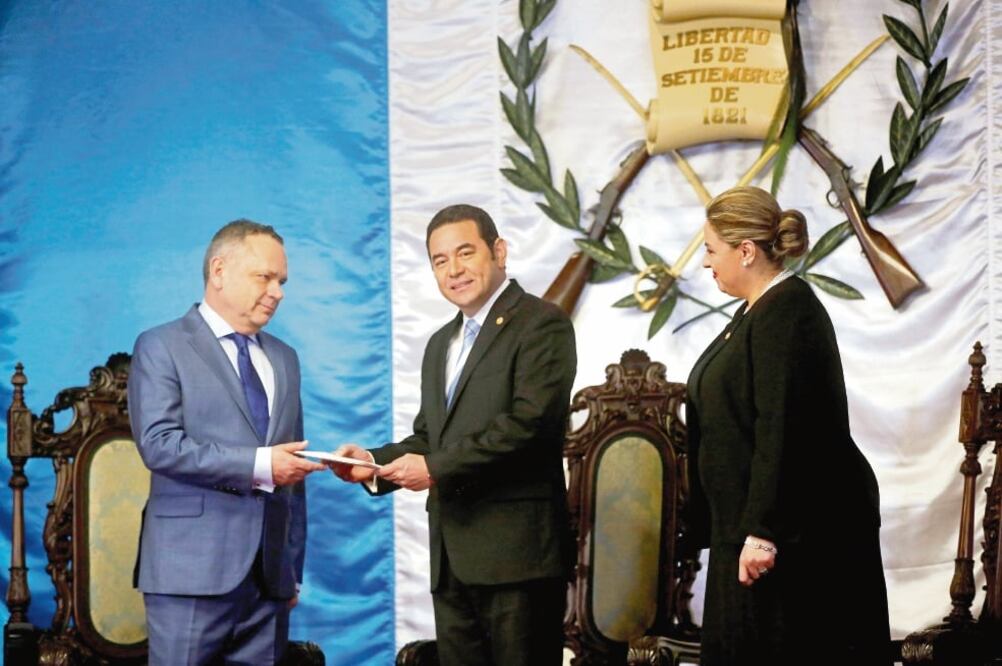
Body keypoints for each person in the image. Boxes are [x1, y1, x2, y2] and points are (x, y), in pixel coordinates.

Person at [332, 204, 576, 666]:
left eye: (465, 252)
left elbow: (530, 425)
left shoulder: (542, 324)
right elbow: (429, 438)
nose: (454, 269)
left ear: (498, 251)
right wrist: (370, 463)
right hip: (452, 559)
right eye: (440, 260)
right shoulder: (440, 343)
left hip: (517, 561)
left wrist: (435, 468)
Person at [686, 186, 891, 665]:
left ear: (746, 251)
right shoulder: (755, 313)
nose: (705, 262)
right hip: (750, 533)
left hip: (785, 544)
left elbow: (784, 427)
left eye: (711, 250)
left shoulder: (788, 312)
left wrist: (762, 530)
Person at [128, 220, 325, 664]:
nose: (278, 292)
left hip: (268, 582)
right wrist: (259, 465)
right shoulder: (161, 346)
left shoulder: (285, 359)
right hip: (188, 575)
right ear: (219, 270)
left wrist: (290, 571)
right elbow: (159, 445)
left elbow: (292, 476)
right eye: (265, 277)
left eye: (282, 281)